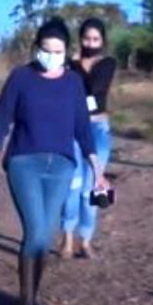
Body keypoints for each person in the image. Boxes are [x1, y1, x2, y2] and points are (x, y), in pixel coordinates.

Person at [0, 17, 109, 305]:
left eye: (59, 51)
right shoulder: (20, 78)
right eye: (47, 50)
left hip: (62, 166)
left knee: (46, 236)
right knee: (36, 231)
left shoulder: (73, 83)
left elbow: (83, 129)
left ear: (67, 52)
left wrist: (97, 170)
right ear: (36, 48)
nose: (52, 56)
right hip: (25, 163)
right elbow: (1, 122)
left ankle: (30, 298)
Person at [59, 18, 117, 259]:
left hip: (98, 128)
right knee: (72, 184)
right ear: (80, 38)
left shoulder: (108, 63)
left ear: (102, 40)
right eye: (86, 38)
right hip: (72, 127)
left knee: (93, 187)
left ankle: (87, 240)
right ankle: (67, 239)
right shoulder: (68, 64)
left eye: (95, 39)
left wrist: (75, 66)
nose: (91, 43)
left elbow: (96, 88)